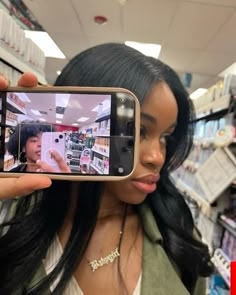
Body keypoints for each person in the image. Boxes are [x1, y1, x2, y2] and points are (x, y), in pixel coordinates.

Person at [0, 43, 214, 295]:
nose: (158, 157)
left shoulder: (179, 233)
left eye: (165, 137)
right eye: (139, 131)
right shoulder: (9, 221)